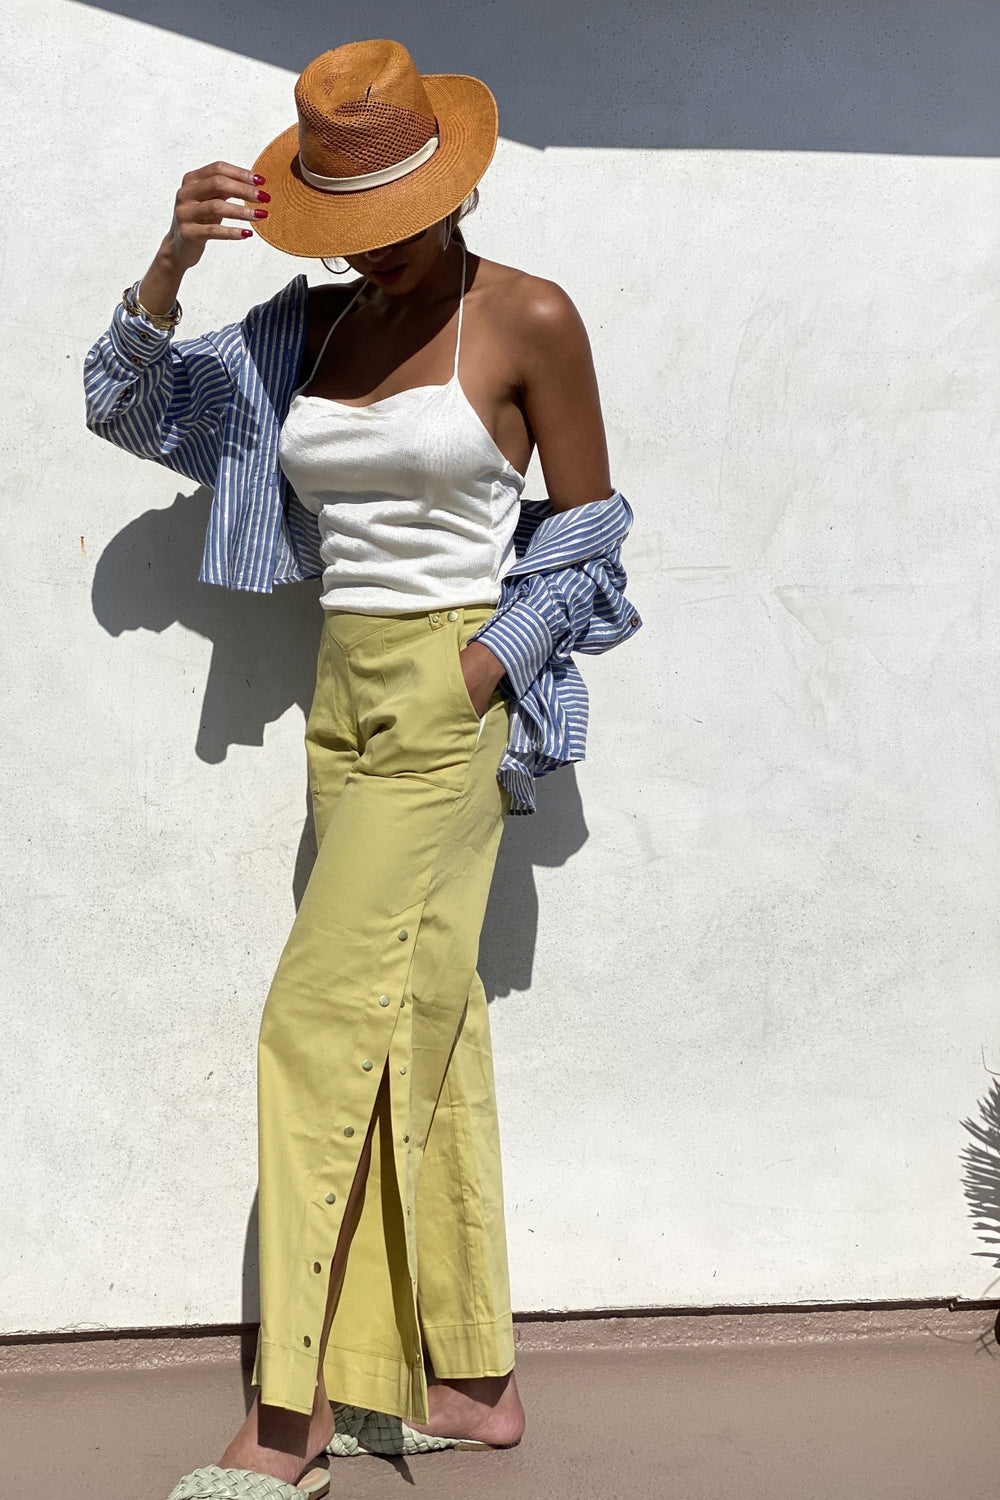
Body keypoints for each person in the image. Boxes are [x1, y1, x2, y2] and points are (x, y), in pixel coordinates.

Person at [84, 39, 640, 1500]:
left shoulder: (529, 315)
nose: (369, 259)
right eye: (344, 231)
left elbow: (587, 537)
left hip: (453, 692)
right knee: (417, 1027)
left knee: (313, 1024)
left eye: (388, 229)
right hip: (345, 693)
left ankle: (293, 1416)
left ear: (447, 193)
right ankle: (474, 1384)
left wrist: (477, 670)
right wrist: (167, 263)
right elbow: (131, 407)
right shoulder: (302, 333)